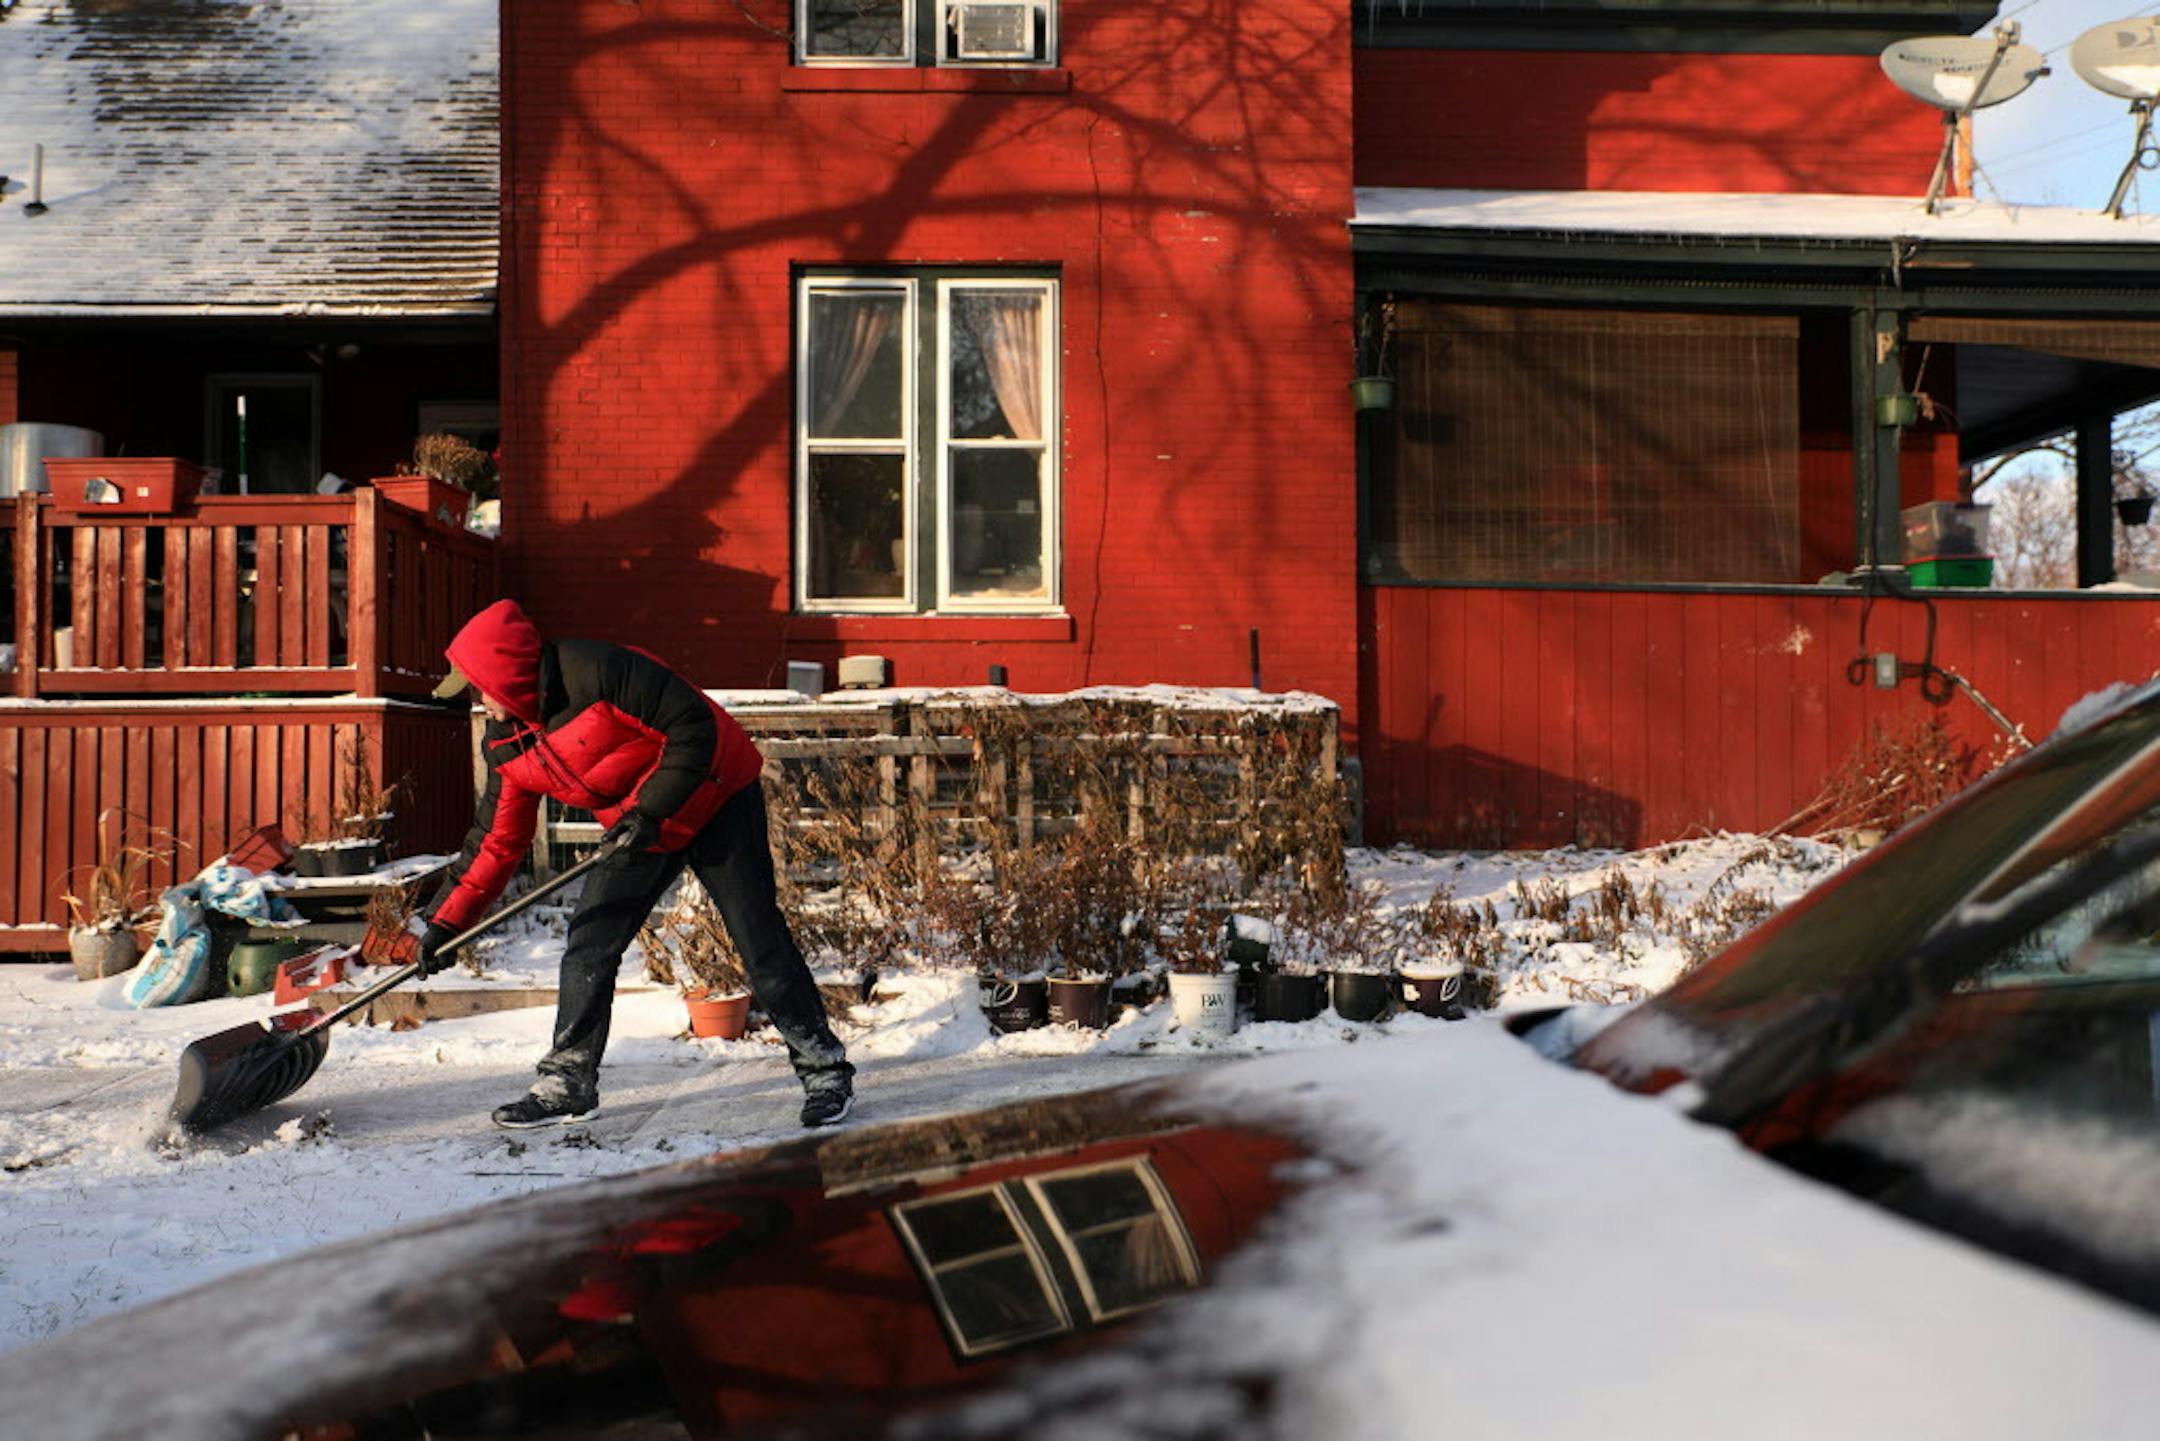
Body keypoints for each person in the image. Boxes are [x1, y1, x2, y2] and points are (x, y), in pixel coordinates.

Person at [419, 599, 855, 1130]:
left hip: (716, 796)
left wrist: (651, 809)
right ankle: (567, 1082)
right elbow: (497, 841)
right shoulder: (509, 745)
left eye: (482, 687)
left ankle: (824, 1070)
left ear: (507, 673)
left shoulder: (599, 671)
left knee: (758, 942)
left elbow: (694, 727)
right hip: (639, 827)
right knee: (589, 943)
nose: (481, 702)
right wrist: (445, 923)